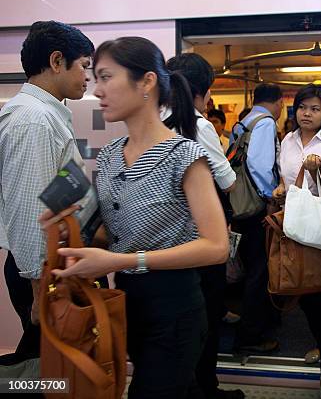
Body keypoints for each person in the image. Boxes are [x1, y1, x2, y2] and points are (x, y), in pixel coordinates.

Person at [50, 37, 229, 399]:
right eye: (94, 77)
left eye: (105, 77)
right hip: (127, 304)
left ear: (147, 81)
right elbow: (108, 232)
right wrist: (66, 233)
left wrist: (122, 260)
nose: (96, 89)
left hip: (175, 307)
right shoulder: (111, 154)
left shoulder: (185, 155)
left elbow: (216, 246)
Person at [0, 21, 97, 365]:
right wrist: (39, 284)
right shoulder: (34, 120)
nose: (89, 78)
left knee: (51, 360)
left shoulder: (48, 113)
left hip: (48, 261)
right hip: (40, 267)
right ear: (57, 61)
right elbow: (28, 210)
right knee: (46, 365)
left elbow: (53, 189)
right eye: (84, 66)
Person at [165, 53, 243, 399]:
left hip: (163, 242)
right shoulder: (198, 124)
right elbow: (227, 182)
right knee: (205, 319)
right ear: (203, 91)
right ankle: (204, 388)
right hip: (200, 237)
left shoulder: (150, 121)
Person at [272, 84, 321, 399]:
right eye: (303, 107)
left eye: (315, 108)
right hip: (292, 224)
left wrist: (319, 170)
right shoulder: (288, 139)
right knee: (304, 293)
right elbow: (285, 177)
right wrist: (280, 188)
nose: (307, 113)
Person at [230, 83, 283, 353]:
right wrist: (269, 198)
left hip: (239, 204)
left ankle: (252, 325)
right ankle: (250, 335)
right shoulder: (265, 123)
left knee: (251, 267)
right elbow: (260, 166)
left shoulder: (243, 123)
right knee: (259, 271)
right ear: (279, 102)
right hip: (256, 206)